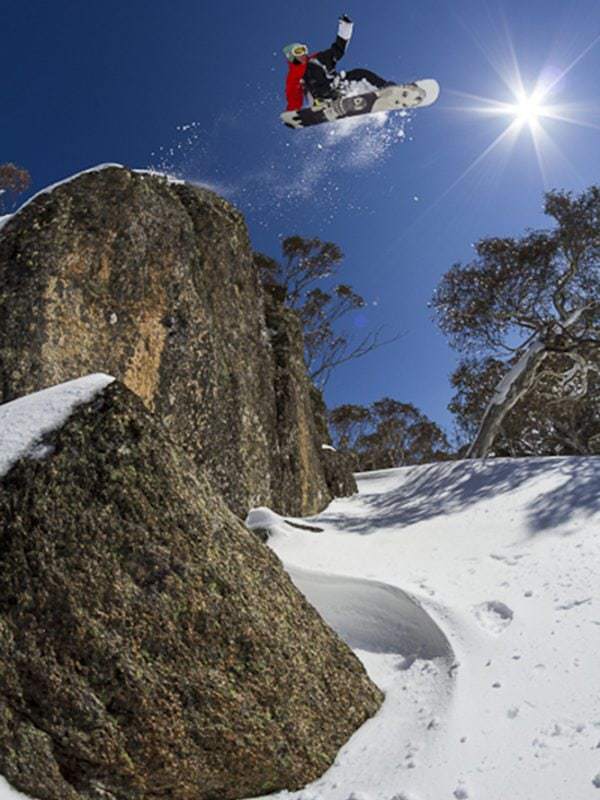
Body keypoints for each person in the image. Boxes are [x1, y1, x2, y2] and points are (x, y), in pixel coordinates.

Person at [283, 15, 393, 112]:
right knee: (310, 71)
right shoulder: (294, 75)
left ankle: (386, 89)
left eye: (304, 50)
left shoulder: (319, 58)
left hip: (337, 87)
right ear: (291, 56)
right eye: (298, 51)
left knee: (360, 73)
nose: (303, 54)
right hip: (319, 95)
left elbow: (338, 49)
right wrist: (293, 111)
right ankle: (323, 101)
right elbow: (293, 95)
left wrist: (345, 28)